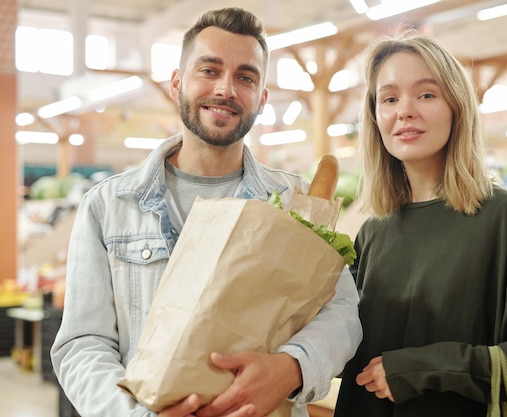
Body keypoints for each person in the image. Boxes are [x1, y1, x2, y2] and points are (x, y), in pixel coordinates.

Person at [51, 7, 362, 417]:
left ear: (262, 99)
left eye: (246, 77)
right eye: (209, 70)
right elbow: (83, 343)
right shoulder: (109, 206)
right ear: (178, 82)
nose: (227, 89)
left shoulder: (297, 202)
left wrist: (292, 367)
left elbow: (342, 312)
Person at [332, 30, 507, 417]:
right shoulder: (373, 231)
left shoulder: (503, 218)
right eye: (389, 98)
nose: (405, 110)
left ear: (457, 107)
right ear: (375, 116)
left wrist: (424, 369)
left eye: (426, 94)